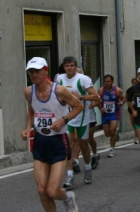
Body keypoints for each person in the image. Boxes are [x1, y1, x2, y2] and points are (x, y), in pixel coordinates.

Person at [22, 57, 82, 212]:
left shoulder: (59, 91)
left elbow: (78, 106)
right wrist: (28, 128)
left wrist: (63, 120)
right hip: (40, 142)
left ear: (45, 70)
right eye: (31, 72)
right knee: (42, 190)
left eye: (37, 71)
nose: (34, 75)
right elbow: (31, 112)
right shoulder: (29, 91)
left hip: (58, 141)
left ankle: (68, 198)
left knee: (52, 191)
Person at [57, 56, 101, 187]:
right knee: (68, 146)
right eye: (67, 66)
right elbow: (57, 95)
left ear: (75, 67)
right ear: (64, 67)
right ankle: (69, 176)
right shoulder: (59, 79)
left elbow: (96, 97)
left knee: (83, 146)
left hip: (82, 116)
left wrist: (81, 96)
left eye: (71, 66)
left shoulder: (83, 79)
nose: (69, 68)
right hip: (67, 117)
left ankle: (87, 168)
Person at [98, 74, 126, 157]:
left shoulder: (117, 90)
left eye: (109, 81)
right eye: (105, 82)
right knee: (107, 134)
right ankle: (114, 135)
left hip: (114, 113)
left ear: (112, 82)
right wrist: (100, 107)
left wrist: (121, 102)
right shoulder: (101, 90)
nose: (107, 83)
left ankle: (112, 149)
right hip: (105, 114)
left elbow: (124, 98)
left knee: (112, 130)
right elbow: (96, 100)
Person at [126, 77, 139, 144]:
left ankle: (138, 136)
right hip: (132, 109)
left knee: (139, 123)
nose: (134, 84)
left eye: (136, 83)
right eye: (133, 83)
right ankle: (136, 136)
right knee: (134, 124)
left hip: (139, 108)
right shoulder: (129, 90)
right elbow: (127, 98)